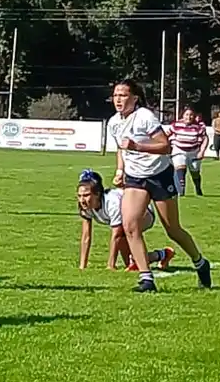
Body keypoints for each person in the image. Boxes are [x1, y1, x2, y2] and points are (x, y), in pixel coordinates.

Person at [107, 80, 212, 293]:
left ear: (134, 98)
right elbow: (121, 149)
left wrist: (137, 146)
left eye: (123, 95)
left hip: (160, 176)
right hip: (135, 178)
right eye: (116, 95)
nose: (118, 99)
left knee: (173, 229)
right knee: (129, 225)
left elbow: (165, 146)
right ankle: (146, 278)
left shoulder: (145, 116)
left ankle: (200, 263)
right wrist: (120, 170)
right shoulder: (113, 122)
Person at [76, 170, 174, 272]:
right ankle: (162, 254)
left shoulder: (112, 203)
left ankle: (145, 260)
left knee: (123, 232)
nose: (82, 200)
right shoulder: (85, 206)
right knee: (131, 263)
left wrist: (111, 265)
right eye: (79, 196)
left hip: (144, 212)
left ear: (97, 193)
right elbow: (86, 236)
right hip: (126, 218)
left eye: (86, 195)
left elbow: (116, 235)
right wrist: (82, 266)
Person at [165, 108, 207, 196]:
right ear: (183, 115)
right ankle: (181, 190)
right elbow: (165, 135)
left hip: (193, 151)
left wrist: (202, 151)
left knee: (195, 172)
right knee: (180, 168)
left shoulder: (198, 127)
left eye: (191, 115)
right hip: (178, 149)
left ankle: (198, 188)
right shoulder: (176, 125)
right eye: (187, 115)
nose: (189, 117)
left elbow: (205, 138)